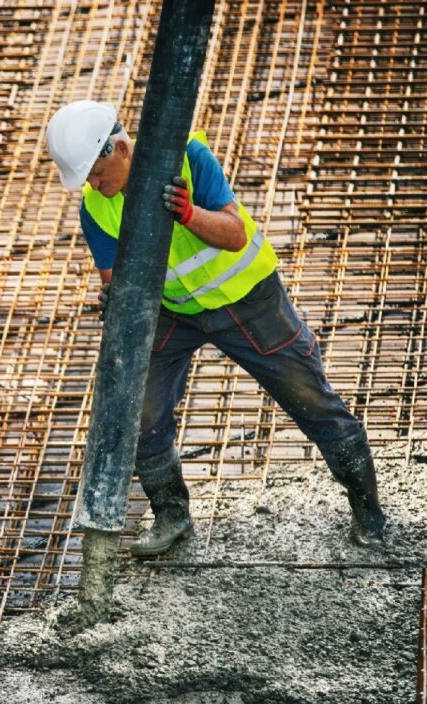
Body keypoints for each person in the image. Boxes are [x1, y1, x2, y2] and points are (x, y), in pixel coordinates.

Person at [44, 100, 386, 557]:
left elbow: (234, 234)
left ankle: (369, 511)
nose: (92, 184)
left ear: (120, 149)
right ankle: (171, 515)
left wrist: (188, 214)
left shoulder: (188, 158)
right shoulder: (96, 208)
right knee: (141, 408)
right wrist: (114, 298)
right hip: (173, 311)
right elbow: (115, 279)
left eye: (95, 173)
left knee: (309, 397)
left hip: (248, 300)